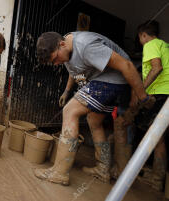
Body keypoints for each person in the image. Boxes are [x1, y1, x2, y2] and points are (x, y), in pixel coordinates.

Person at [34, 31, 154, 186]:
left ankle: (59, 173)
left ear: (62, 44)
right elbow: (75, 70)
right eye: (53, 62)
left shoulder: (86, 45)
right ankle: (103, 168)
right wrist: (67, 92)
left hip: (117, 78)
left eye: (55, 58)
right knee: (93, 119)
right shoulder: (65, 51)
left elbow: (127, 65)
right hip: (103, 79)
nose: (56, 63)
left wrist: (142, 96)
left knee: (70, 111)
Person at [112, 20, 169, 191]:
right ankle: (156, 179)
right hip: (165, 95)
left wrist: (140, 89)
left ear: (143, 35)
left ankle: (125, 172)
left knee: (127, 124)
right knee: (157, 135)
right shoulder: (165, 45)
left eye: (140, 37)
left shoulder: (150, 44)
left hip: (158, 94)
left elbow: (156, 67)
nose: (140, 41)